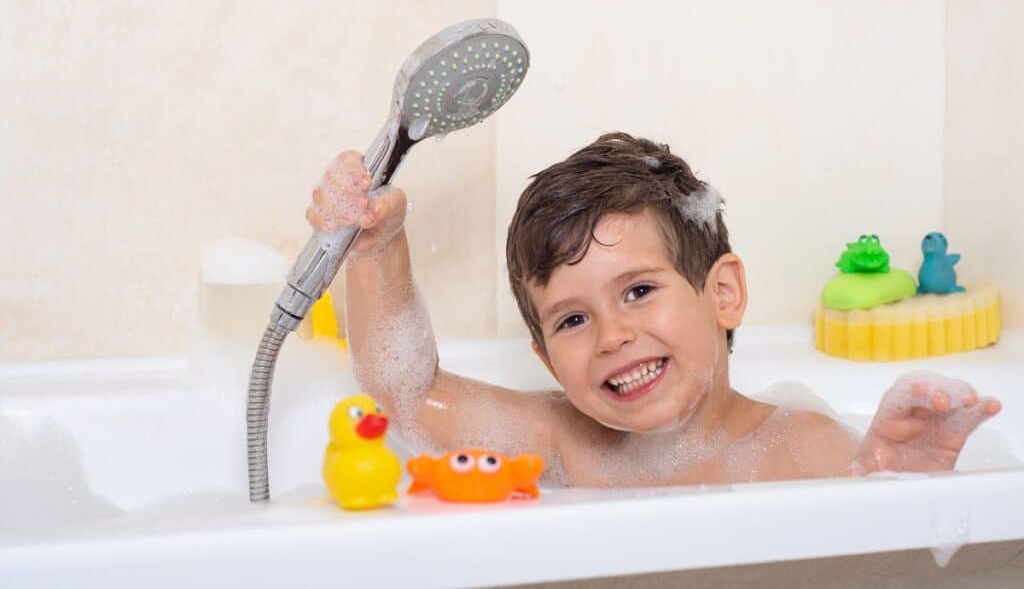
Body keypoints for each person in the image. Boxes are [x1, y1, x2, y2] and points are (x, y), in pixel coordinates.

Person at [306, 132, 1002, 487]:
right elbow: (405, 394)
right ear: (546, 357)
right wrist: (377, 246)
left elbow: (871, 536)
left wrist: (895, 474)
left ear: (723, 292)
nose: (613, 335)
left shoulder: (800, 446)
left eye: (638, 290)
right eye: (572, 320)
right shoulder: (562, 442)